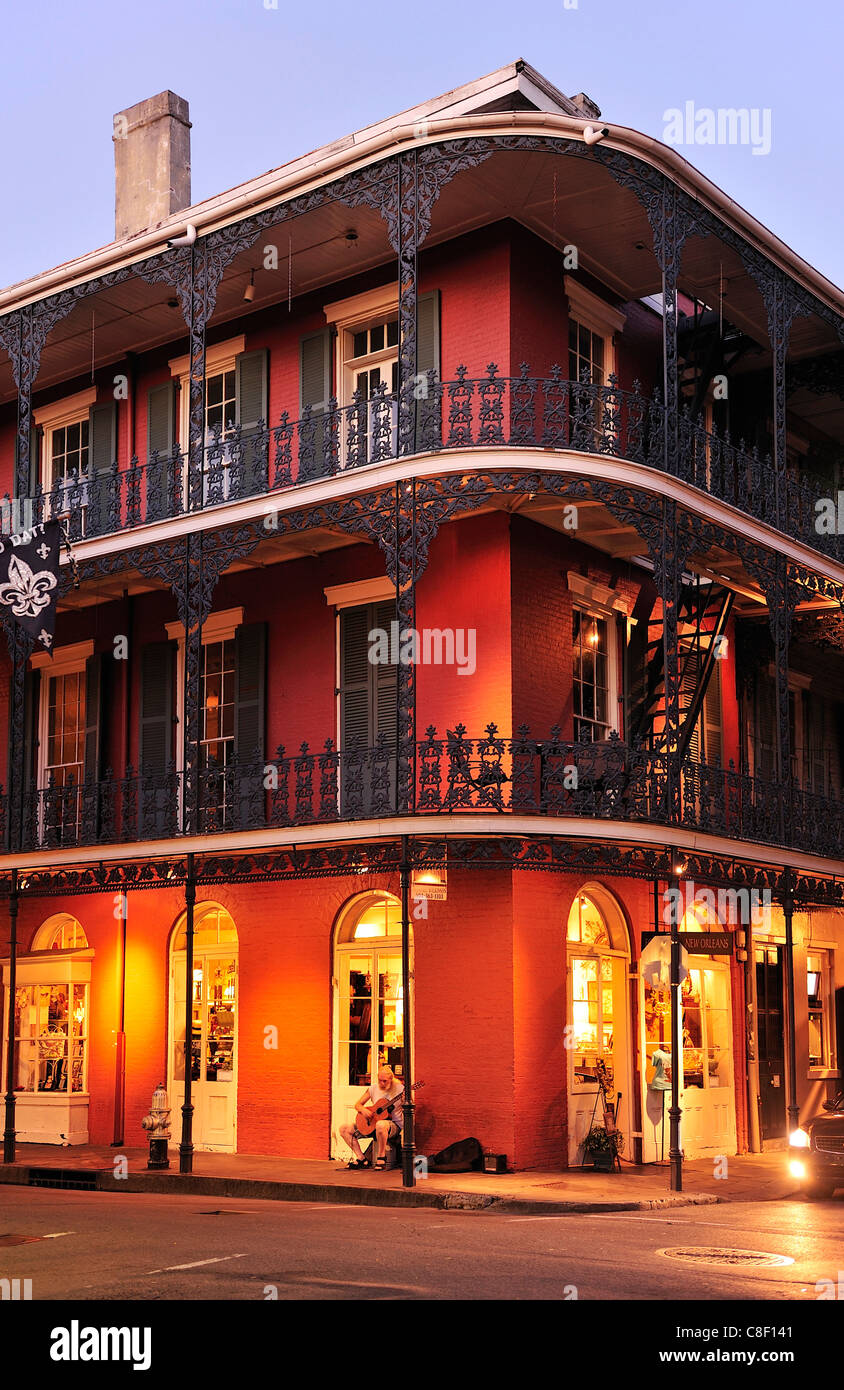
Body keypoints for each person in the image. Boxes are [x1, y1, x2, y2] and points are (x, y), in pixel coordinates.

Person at [339, 1064, 404, 1169]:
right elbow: (358, 1105)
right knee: (344, 1129)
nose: (381, 1084)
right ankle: (361, 1159)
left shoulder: (400, 1089)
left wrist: (405, 1100)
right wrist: (363, 1110)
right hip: (373, 1123)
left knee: (381, 1124)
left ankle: (381, 1158)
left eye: (385, 1081)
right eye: (380, 1080)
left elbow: (411, 1107)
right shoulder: (373, 1088)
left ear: (391, 1079)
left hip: (393, 1125)